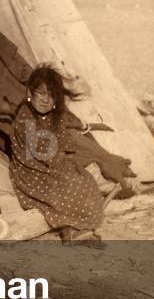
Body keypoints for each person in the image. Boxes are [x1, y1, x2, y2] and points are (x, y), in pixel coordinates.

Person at [9, 63, 106, 239]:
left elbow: (62, 142)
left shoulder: (55, 116)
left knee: (85, 179)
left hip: (51, 164)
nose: (46, 100)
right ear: (29, 94)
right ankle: (70, 229)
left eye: (52, 95)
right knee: (69, 185)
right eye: (41, 93)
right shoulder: (26, 118)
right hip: (32, 170)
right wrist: (63, 161)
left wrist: (66, 159)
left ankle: (76, 227)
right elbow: (40, 153)